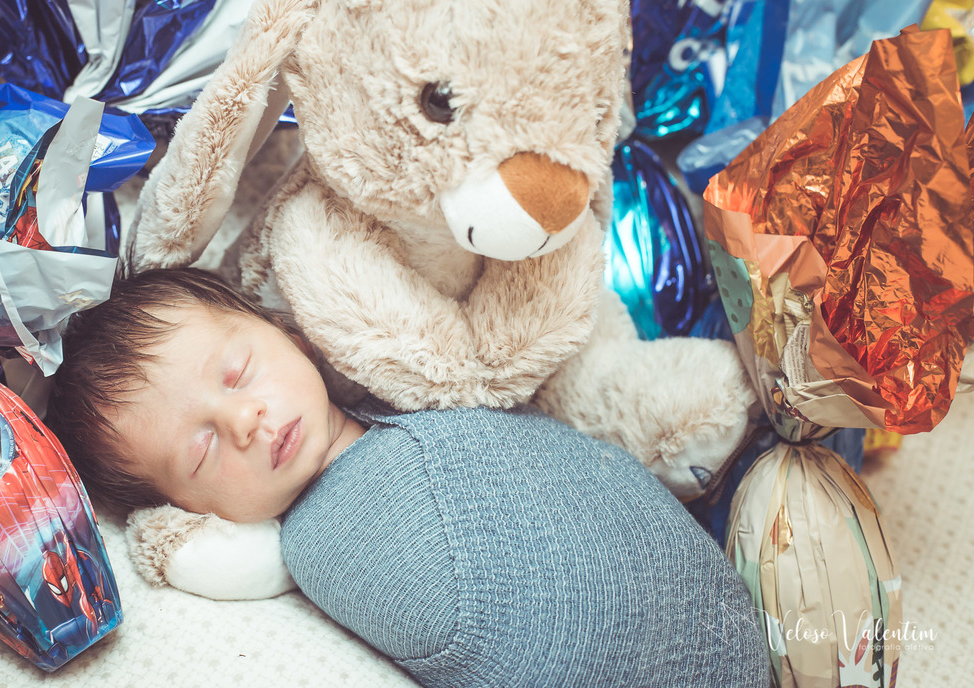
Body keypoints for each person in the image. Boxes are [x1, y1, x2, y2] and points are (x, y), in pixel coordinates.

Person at [47, 268, 770, 688]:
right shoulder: (328, 545)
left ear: (288, 333)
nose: (244, 421)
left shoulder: (403, 390)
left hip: (720, 609)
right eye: (201, 453)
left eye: (237, 374)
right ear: (191, 508)